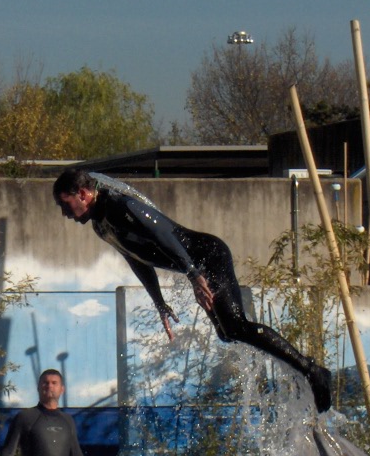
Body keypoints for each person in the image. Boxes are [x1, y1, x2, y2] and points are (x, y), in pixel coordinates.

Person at [53, 167, 333, 412]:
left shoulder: (120, 206)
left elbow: (163, 233)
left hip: (207, 256)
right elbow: (137, 260)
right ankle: (299, 373)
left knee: (235, 326)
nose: (64, 214)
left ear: (82, 194)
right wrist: (159, 301)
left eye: (64, 204)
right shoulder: (101, 227)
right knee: (226, 333)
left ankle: (312, 371)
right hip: (196, 265)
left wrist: (193, 273)